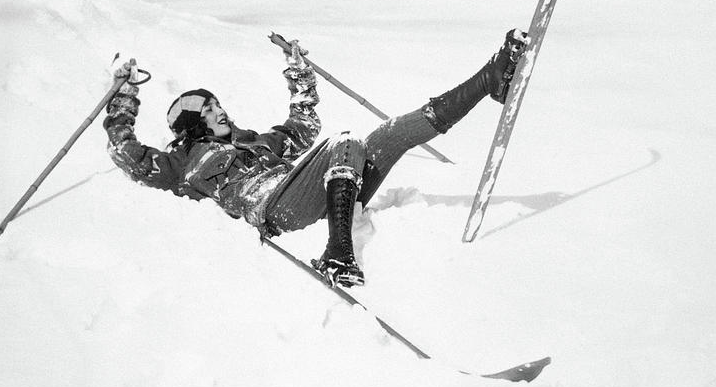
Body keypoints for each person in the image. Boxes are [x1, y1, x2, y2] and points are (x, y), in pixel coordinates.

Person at [104, 30, 528, 287]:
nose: (220, 111)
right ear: (192, 126)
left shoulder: (256, 142)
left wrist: (297, 68)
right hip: (272, 208)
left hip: (308, 193)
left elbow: (303, 124)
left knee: (389, 135)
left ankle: (488, 80)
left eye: (217, 103)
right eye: (208, 110)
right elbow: (128, 154)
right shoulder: (184, 165)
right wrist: (123, 96)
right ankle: (338, 251)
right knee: (344, 142)